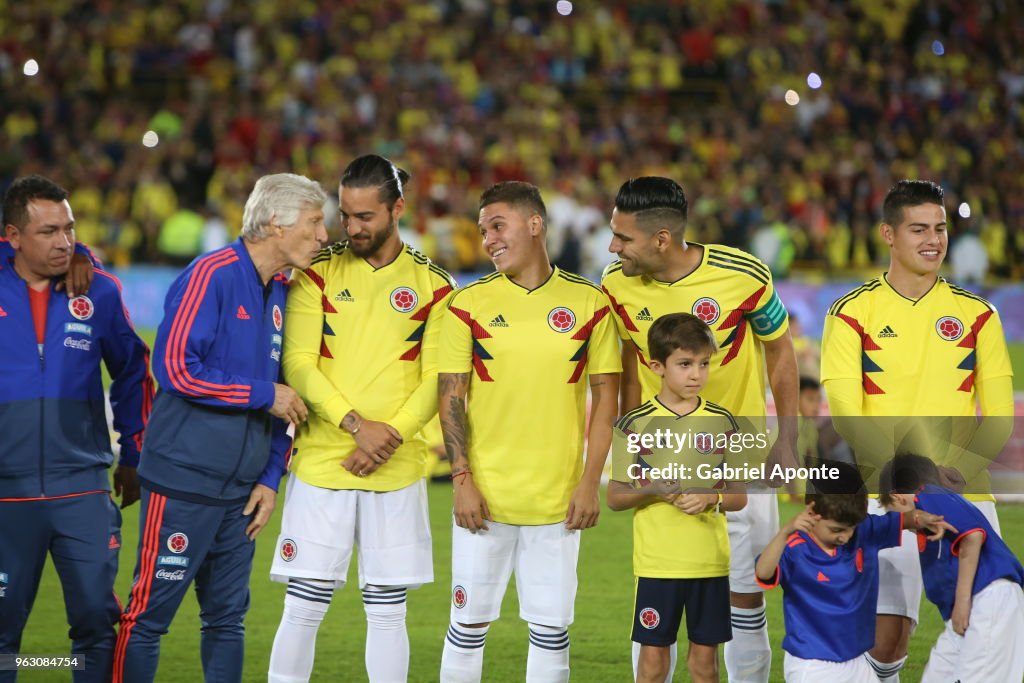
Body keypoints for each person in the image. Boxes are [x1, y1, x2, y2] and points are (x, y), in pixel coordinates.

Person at [113, 173, 326, 683]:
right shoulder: (211, 274)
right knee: (147, 619)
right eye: (316, 223)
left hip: (242, 495)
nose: (323, 236)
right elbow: (175, 368)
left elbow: (285, 400)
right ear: (276, 222)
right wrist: (262, 395)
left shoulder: (279, 290)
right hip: (184, 482)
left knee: (228, 622)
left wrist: (271, 477)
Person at [602, 176, 798, 683]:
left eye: (623, 238)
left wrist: (789, 438)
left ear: (661, 239)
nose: (612, 246)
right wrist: (630, 447)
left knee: (744, 599)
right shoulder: (615, 283)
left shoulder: (745, 274)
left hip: (739, 461)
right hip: (664, 471)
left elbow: (780, 351)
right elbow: (627, 366)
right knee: (656, 608)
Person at [267, 155, 456, 683]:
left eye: (365, 217)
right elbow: (298, 363)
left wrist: (388, 435)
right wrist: (357, 426)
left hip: (395, 466)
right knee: (303, 606)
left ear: (397, 209)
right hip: (324, 460)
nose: (351, 228)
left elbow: (438, 377)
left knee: (387, 608)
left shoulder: (434, 285)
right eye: (345, 215)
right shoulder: (317, 273)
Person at [820, 179, 1014, 681]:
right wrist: (899, 482)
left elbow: (997, 415)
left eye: (941, 229)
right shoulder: (851, 313)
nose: (934, 239)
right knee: (885, 640)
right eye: (919, 229)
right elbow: (845, 411)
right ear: (888, 233)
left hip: (964, 494)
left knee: (980, 628)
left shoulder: (977, 315)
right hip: (886, 497)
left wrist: (957, 475)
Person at [437, 181, 620, 683]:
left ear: (535, 224)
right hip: (484, 497)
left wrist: (589, 483)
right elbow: (451, 395)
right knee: (467, 625)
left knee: (551, 632)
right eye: (482, 231)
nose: (488, 239)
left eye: (498, 226)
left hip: (558, 501)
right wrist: (461, 479)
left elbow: (607, 398)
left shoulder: (589, 304)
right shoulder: (465, 304)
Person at [0, 175, 154, 682]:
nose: (63, 242)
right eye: (47, 232)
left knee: (94, 620)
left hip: (82, 486)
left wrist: (133, 456)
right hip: (6, 492)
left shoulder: (99, 291)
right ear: (13, 237)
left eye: (70, 229)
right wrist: (84, 250)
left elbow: (132, 371)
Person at [607, 313, 748, 683]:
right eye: (685, 364)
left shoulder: (724, 422)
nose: (696, 374)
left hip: (709, 564)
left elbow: (739, 496)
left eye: (704, 364)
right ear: (657, 366)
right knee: (653, 666)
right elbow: (615, 497)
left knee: (704, 665)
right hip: (657, 565)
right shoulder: (632, 425)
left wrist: (710, 498)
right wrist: (652, 488)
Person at [754, 491, 951, 683]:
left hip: (857, 661)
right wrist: (784, 532)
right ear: (811, 513)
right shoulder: (794, 547)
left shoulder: (864, 531)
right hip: (812, 664)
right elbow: (763, 572)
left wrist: (925, 518)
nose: (845, 537)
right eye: (836, 530)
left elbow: (905, 519)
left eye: (850, 529)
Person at [879, 453, 1024, 683]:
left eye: (892, 512)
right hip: (970, 612)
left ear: (896, 497)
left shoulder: (928, 495)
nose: (902, 525)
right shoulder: (935, 510)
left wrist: (962, 601)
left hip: (987, 601)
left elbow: (973, 536)